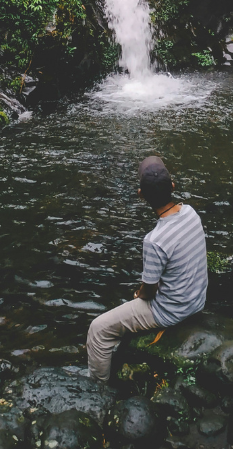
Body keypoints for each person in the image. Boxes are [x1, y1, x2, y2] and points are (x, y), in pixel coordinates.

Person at [86, 156, 208, 382]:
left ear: (141, 195)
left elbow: (148, 292)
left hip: (171, 312)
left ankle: (98, 389)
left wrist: (137, 294)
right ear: (172, 186)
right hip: (197, 301)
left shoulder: (154, 240)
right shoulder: (191, 213)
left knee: (98, 330)